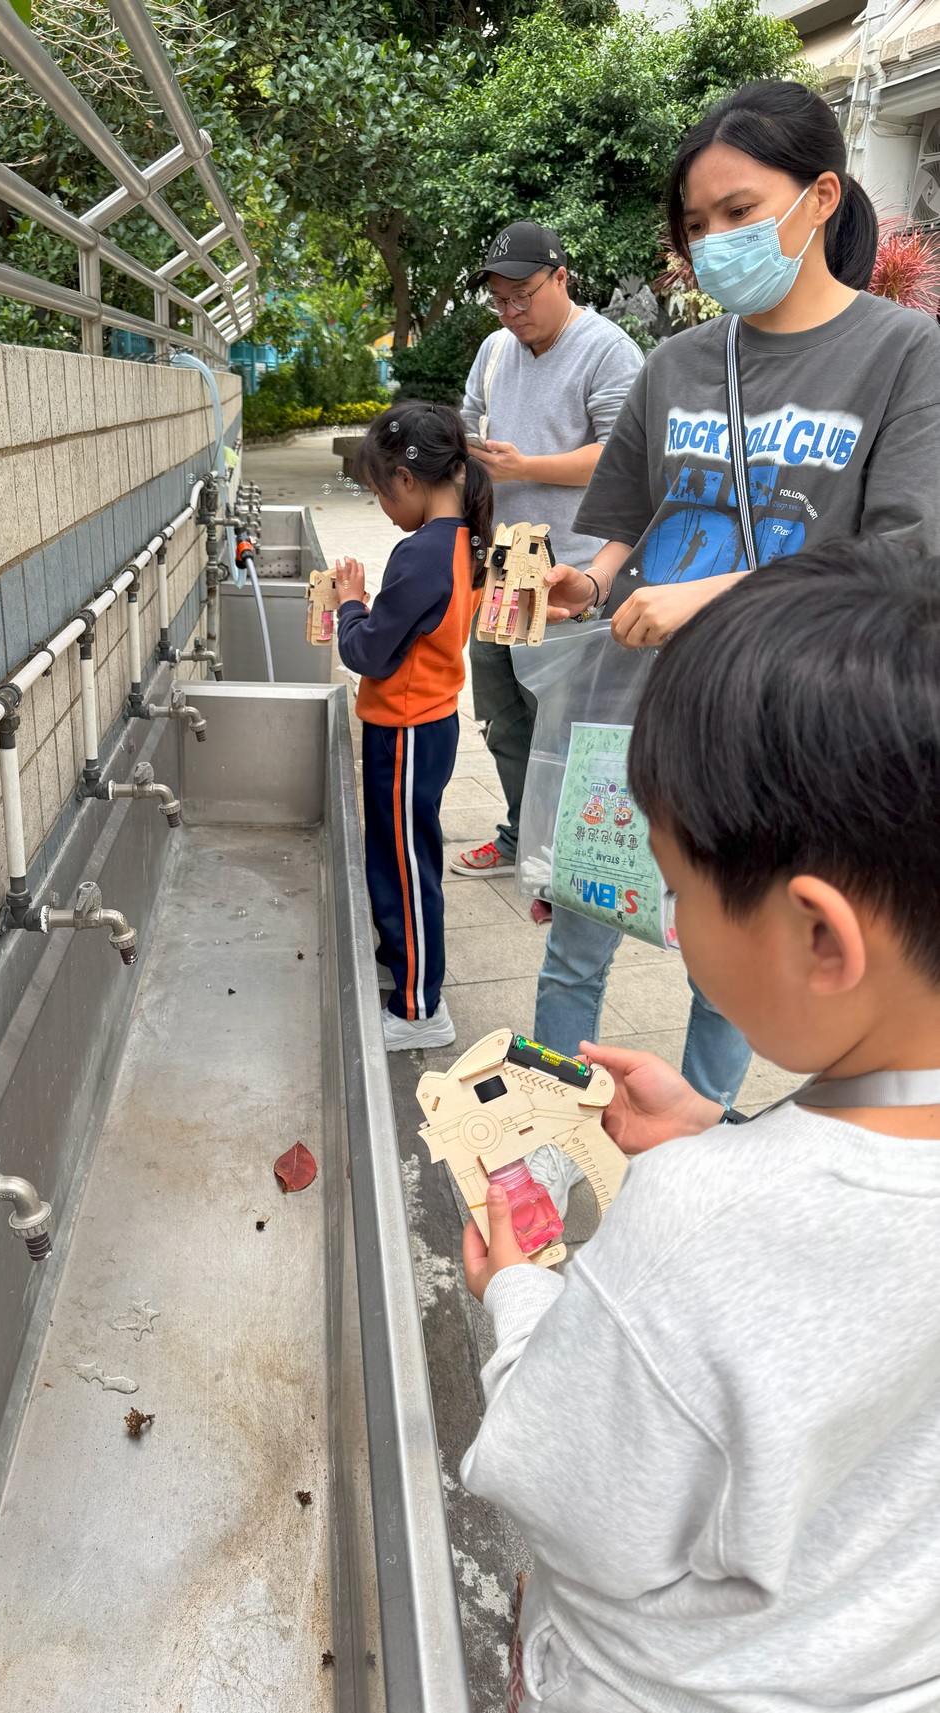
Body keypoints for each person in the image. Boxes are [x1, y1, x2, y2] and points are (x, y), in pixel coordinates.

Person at [462, 540, 940, 1711]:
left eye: (678, 892)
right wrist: (730, 1135)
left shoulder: (696, 1225)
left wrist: (517, 1294)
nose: (671, 927)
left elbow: (569, 1498)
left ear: (818, 938)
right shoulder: (757, 1181)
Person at [534, 78, 940, 1104]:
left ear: (820, 198)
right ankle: (542, 1131)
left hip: (783, 725)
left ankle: (700, 1136)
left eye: (737, 212)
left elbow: (906, 557)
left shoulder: (904, 356)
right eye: (696, 223)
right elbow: (627, 524)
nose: (712, 243)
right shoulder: (675, 365)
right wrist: (587, 581)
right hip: (635, 709)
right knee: (578, 940)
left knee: (736, 972)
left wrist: (711, 596)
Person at [450, 221, 643, 880]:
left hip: (572, 570)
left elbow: (623, 456)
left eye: (523, 295)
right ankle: (520, 836)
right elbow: (468, 425)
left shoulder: (607, 350)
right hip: (504, 561)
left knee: (561, 724)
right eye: (499, 300)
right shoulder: (494, 350)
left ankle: (565, 857)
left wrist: (525, 466)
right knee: (503, 716)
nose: (510, 312)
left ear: (561, 278)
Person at [334, 400, 493, 1050]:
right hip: (424, 722)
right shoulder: (461, 539)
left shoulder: (421, 553)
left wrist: (350, 605)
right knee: (397, 855)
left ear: (407, 477)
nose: (381, 507)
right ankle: (400, 964)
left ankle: (420, 1008)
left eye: (380, 492)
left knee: (403, 866)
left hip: (405, 728)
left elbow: (368, 652)